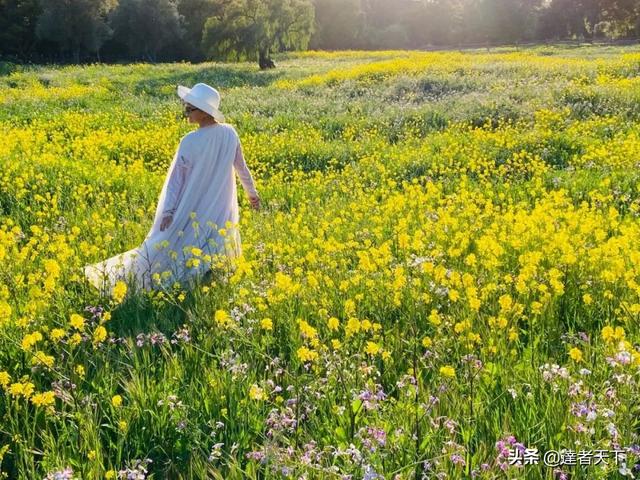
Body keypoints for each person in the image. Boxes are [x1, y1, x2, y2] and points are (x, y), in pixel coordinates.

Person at [83, 83, 260, 296]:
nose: (185, 113)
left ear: (204, 112)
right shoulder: (230, 133)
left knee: (173, 245)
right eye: (185, 107)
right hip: (221, 207)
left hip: (193, 205)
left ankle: (190, 280)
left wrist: (169, 211)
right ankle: (204, 281)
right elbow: (242, 168)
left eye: (189, 109)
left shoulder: (189, 141)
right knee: (212, 244)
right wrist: (252, 194)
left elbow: (176, 182)